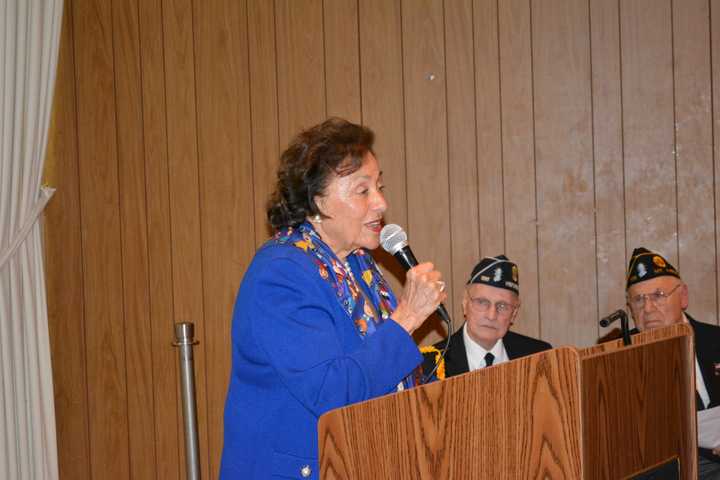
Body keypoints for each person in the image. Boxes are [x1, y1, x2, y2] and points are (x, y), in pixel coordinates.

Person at [220, 118, 446, 479]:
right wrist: (407, 318)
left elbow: (389, 372)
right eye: (362, 190)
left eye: (380, 186)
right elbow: (332, 393)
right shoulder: (279, 275)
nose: (381, 203)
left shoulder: (360, 267)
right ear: (317, 201)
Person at [625, 247, 720, 479]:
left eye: (658, 295)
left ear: (683, 296)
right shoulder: (617, 353)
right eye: (638, 300)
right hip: (653, 467)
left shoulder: (716, 340)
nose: (647, 309)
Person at [421, 255, 551, 380]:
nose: (491, 315)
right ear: (465, 304)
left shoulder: (540, 356)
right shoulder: (431, 363)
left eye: (502, 306)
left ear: (514, 313)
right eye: (482, 302)